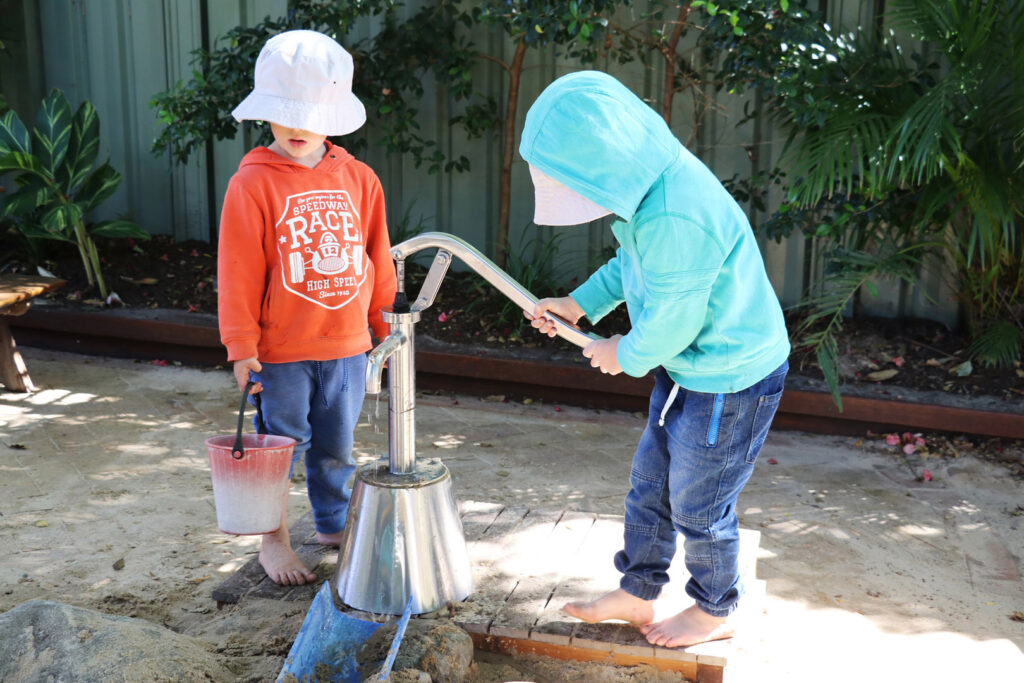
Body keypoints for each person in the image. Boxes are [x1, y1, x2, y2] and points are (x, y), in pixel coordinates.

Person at [520, 71, 790, 648]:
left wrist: (625, 353)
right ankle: (638, 589)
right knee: (651, 484)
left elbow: (675, 320)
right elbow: (631, 269)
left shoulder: (675, 213)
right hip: (689, 368)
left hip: (730, 382)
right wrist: (578, 304)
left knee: (701, 502)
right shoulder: (648, 198)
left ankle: (717, 608)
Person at [217, 30, 397, 586]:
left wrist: (382, 330)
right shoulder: (252, 185)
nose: (296, 128)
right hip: (282, 351)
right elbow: (239, 273)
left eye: (311, 114)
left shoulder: (361, 180)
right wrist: (241, 349)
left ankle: (332, 524)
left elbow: (377, 260)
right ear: (265, 113)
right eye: (283, 114)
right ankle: (273, 540)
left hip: (346, 346)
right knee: (281, 447)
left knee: (337, 447)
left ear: (334, 115)